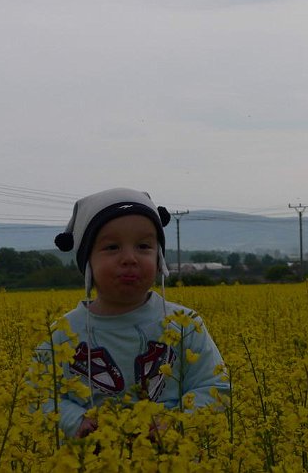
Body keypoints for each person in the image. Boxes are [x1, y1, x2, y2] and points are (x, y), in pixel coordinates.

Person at [36, 187, 228, 438]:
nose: (129, 258)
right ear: (87, 262)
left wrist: (176, 421)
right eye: (112, 247)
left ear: (159, 258)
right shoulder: (62, 334)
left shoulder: (185, 324)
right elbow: (37, 395)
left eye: (143, 246)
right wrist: (76, 421)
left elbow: (216, 387)